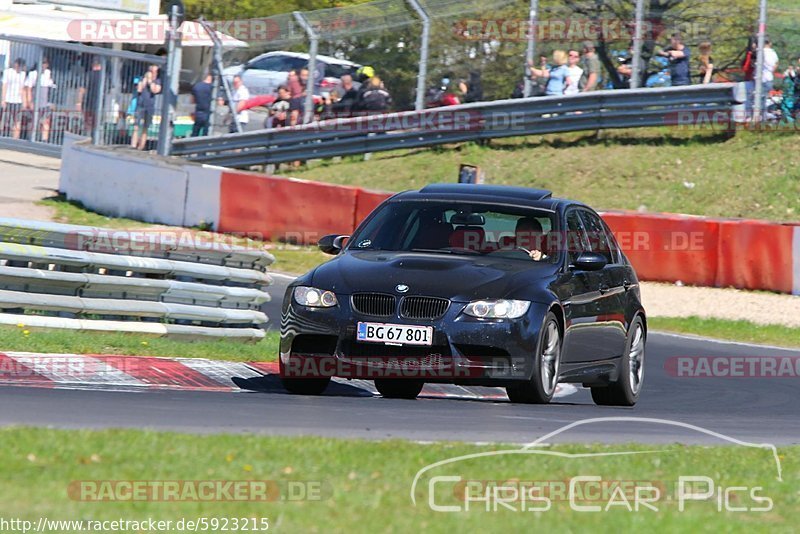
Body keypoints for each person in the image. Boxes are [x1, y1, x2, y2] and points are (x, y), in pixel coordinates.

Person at [23, 58, 55, 142]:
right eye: (42, 63)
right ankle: (30, 139)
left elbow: (51, 88)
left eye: (45, 63)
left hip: (45, 103)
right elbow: (28, 89)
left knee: (45, 122)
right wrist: (29, 102)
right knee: (33, 122)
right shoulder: (33, 74)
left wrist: (50, 103)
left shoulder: (48, 73)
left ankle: (44, 140)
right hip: (35, 102)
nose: (44, 65)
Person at [130, 64, 161, 150]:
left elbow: (155, 90)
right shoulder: (141, 79)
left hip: (150, 106)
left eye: (155, 72)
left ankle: (141, 146)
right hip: (140, 104)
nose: (154, 73)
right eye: (152, 71)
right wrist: (144, 80)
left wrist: (150, 82)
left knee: (145, 127)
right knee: (136, 125)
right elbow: (139, 89)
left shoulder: (157, 81)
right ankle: (133, 144)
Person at [77, 57, 103, 137]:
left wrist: (79, 102)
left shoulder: (88, 75)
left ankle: (86, 139)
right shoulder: (104, 76)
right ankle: (96, 140)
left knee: (87, 124)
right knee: (97, 124)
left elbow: (82, 90)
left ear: (92, 65)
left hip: (89, 103)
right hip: (100, 104)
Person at [1, 58, 26, 138]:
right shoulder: (8, 72)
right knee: (4, 120)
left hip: (18, 101)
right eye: (18, 65)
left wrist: (24, 101)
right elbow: (4, 86)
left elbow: (22, 88)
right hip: (8, 100)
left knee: (17, 121)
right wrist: (3, 100)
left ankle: (15, 140)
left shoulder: (23, 74)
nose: (19, 67)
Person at [190, 72, 213, 137]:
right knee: (206, 134)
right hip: (209, 113)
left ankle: (192, 145)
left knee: (195, 133)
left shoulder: (196, 86)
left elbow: (192, 101)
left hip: (198, 112)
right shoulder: (212, 88)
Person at [760, 37, 779, 116]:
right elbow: (776, 63)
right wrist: (771, 70)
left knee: (760, 97)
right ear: (769, 43)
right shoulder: (772, 52)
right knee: (767, 97)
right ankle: (767, 114)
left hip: (760, 78)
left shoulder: (760, 52)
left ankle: (763, 114)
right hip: (769, 77)